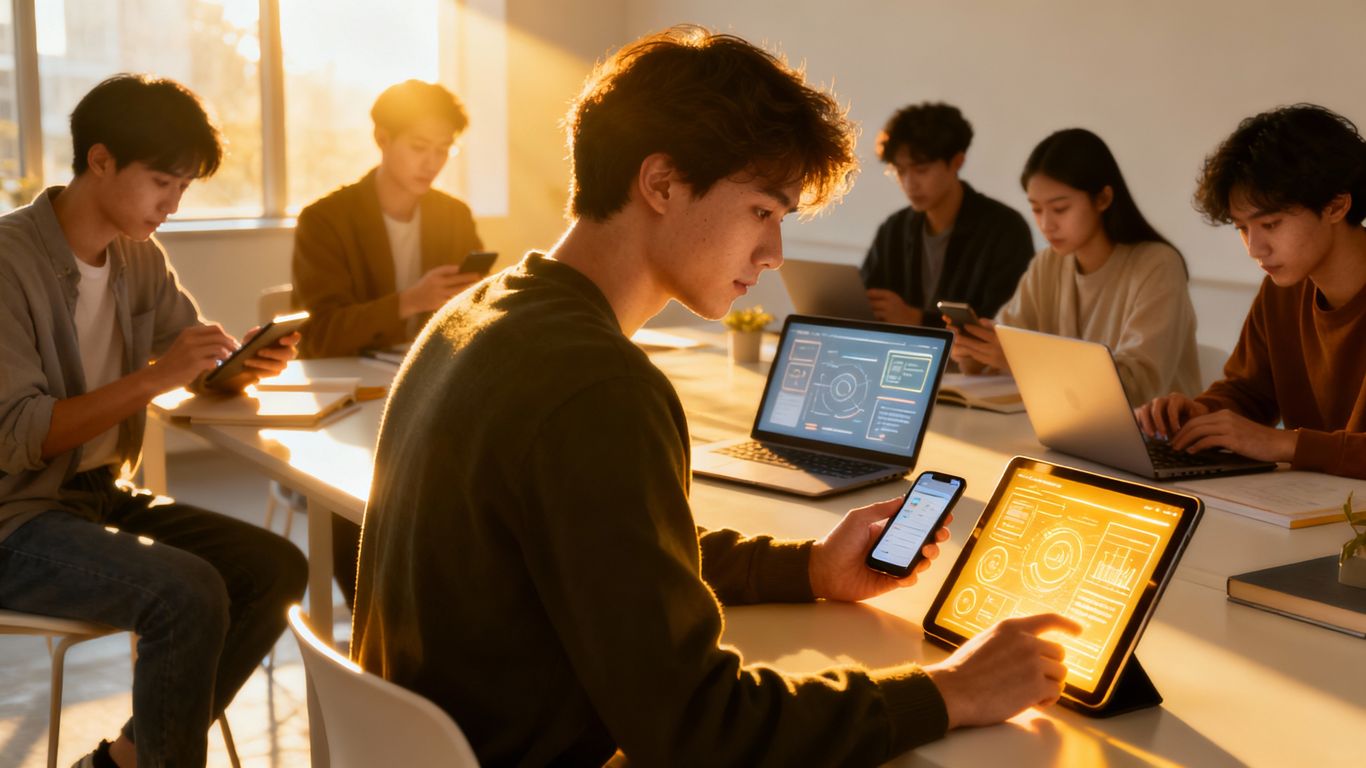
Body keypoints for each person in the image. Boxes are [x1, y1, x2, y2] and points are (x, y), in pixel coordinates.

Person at [351, 27, 1080, 766]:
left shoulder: (478, 314)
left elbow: (609, 555)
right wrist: (949, 690)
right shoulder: (598, 386)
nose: (773, 254)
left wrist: (808, 569)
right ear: (662, 182)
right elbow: (701, 731)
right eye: (763, 211)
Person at [0, 75, 307, 767]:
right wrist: (155, 377)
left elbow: (186, 350)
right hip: (14, 518)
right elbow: (22, 436)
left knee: (274, 567)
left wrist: (234, 366)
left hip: (93, 495)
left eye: (185, 187)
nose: (172, 204)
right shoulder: (7, 261)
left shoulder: (138, 256)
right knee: (187, 594)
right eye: (162, 182)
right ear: (100, 160)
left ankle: (124, 762)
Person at [291, 79, 484, 606]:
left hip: (431, 390)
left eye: (444, 150)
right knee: (356, 495)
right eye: (420, 147)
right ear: (382, 137)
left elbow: (482, 309)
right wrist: (409, 300)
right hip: (349, 398)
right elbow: (319, 335)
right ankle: (378, 618)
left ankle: (450, 607)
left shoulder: (453, 216)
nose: (433, 162)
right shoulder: (326, 220)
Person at [1135, 104, 1366, 479]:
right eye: (1242, 228)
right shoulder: (1282, 290)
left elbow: (1276, 439)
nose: (1255, 248)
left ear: (1337, 205)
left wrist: (1284, 444)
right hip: (1316, 508)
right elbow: (1249, 392)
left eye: (1271, 224)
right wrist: (1201, 414)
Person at [950, 128, 1201, 406]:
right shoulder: (1048, 264)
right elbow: (1007, 349)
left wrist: (1019, 360)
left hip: (1154, 439)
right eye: (1036, 209)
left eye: (1060, 209)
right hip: (1070, 431)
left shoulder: (1157, 265)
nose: (1046, 225)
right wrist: (977, 353)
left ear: (1103, 199)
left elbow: (1137, 387)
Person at [861, 102, 1034, 327]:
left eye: (921, 170)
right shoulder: (895, 228)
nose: (909, 183)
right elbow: (866, 299)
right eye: (900, 171)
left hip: (971, 362)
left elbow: (1003, 324)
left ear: (957, 162)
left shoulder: (1005, 229)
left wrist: (918, 320)